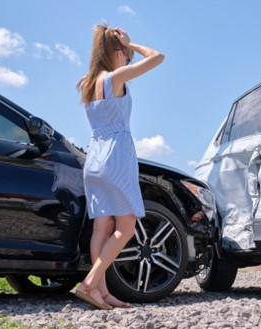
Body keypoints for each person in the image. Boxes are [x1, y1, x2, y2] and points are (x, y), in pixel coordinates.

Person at [75, 23, 164, 310]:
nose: (129, 60)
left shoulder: (87, 83)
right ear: (116, 52)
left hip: (95, 159)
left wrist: (125, 46)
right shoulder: (115, 78)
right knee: (125, 227)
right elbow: (158, 57)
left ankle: (100, 293)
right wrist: (134, 43)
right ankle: (90, 283)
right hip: (116, 157)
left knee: (103, 226)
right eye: (126, 55)